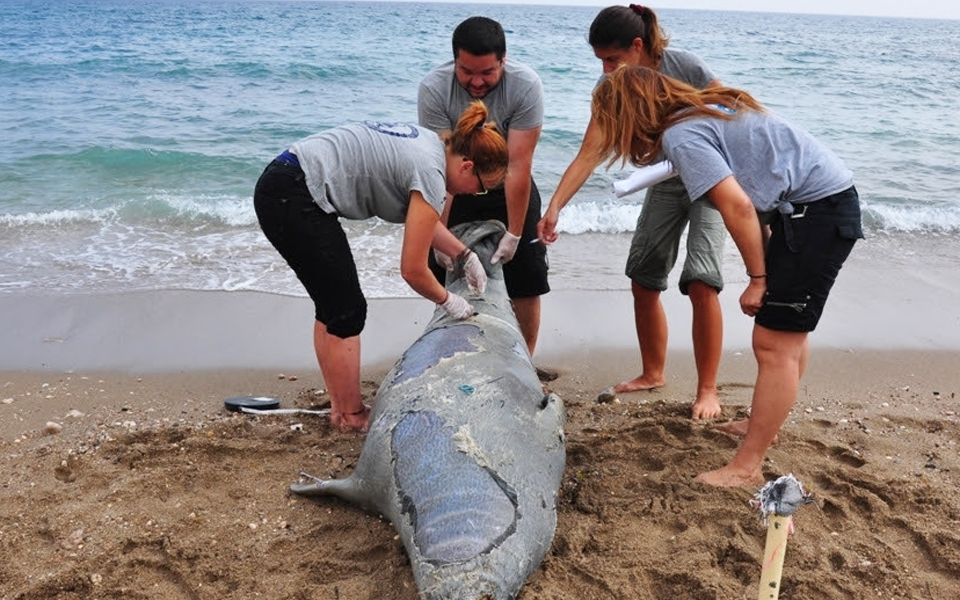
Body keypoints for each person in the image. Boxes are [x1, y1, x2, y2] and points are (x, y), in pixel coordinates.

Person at [589, 65, 863, 486]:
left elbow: (737, 207)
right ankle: (760, 425)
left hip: (817, 213)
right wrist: (768, 270)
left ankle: (746, 466)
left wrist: (758, 278)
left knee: (774, 344)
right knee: (786, 336)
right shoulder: (706, 110)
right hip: (814, 207)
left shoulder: (681, 135)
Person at [254, 101, 508, 433]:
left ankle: (340, 408)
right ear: (466, 166)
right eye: (481, 186)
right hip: (295, 194)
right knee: (347, 310)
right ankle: (353, 414)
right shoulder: (431, 173)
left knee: (331, 308)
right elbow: (413, 270)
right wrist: (450, 302)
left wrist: (464, 255)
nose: (477, 194)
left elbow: (424, 224)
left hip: (285, 181)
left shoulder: (432, 146)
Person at [537, 4, 725, 419]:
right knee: (644, 277)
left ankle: (708, 390)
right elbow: (590, 151)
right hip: (663, 179)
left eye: (612, 59)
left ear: (638, 46)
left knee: (702, 281)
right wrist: (555, 207)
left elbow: (729, 111)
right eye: (600, 61)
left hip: (711, 178)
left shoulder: (684, 66)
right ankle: (652, 372)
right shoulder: (614, 87)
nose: (606, 70)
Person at [419, 16, 551, 370]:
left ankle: (522, 363)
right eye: (466, 72)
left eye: (487, 73)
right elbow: (441, 170)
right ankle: (451, 354)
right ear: (454, 62)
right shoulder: (434, 88)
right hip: (455, 189)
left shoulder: (525, 86)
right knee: (445, 270)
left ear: (503, 61)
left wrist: (515, 233)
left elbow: (518, 167)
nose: (476, 82)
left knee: (526, 279)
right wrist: (438, 237)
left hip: (509, 184)